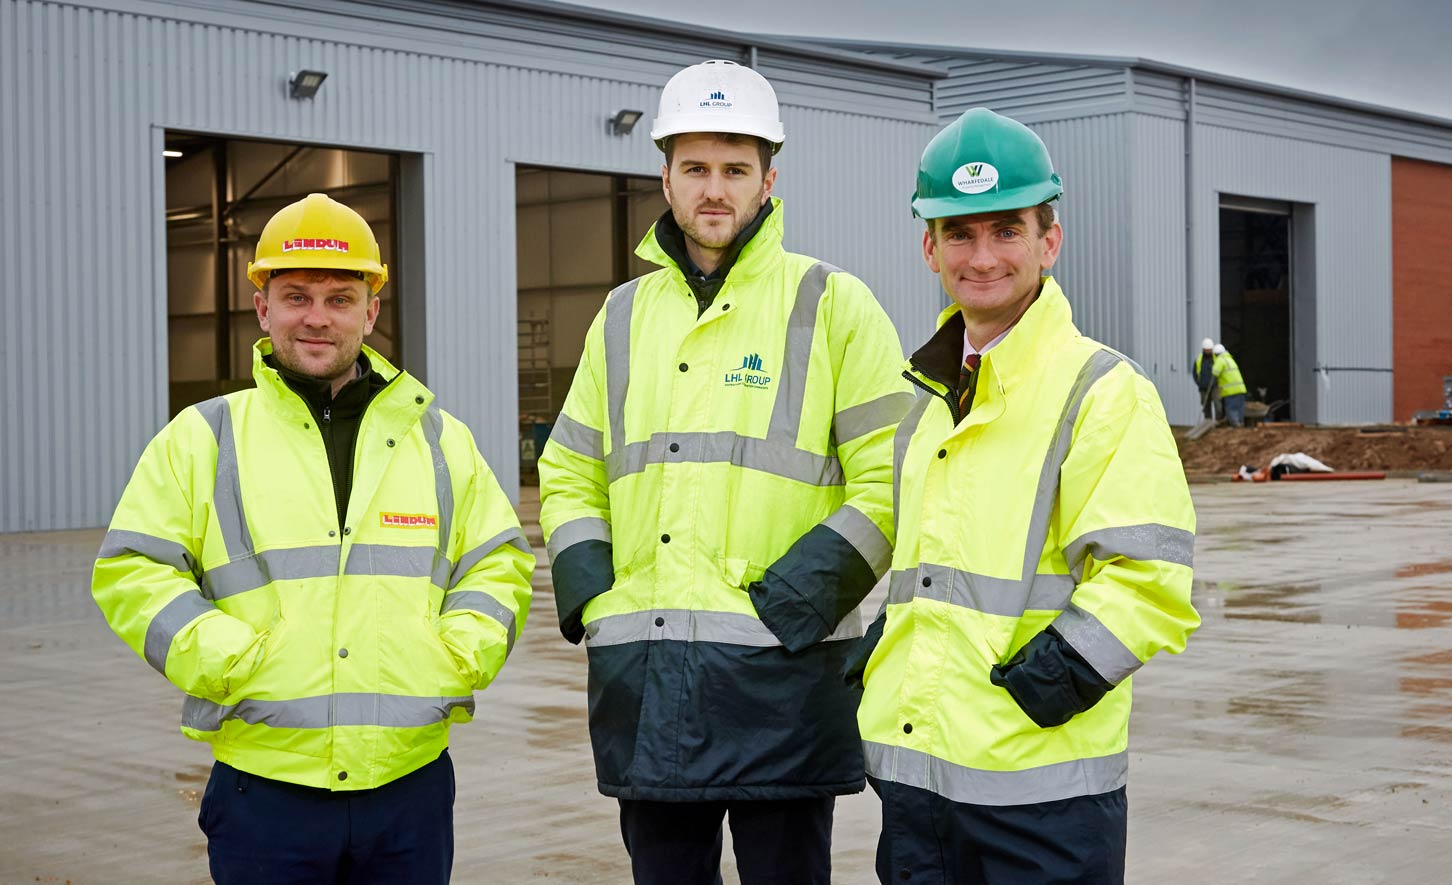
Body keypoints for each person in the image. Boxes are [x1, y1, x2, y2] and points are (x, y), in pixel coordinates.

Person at [538, 59, 910, 885]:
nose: (716, 189)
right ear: (664, 176)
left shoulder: (832, 304)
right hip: (647, 678)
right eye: (697, 168)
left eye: (736, 169)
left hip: (785, 682)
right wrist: (598, 593)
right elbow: (568, 466)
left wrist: (796, 601)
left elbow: (894, 477)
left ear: (769, 178)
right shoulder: (622, 316)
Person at [92, 193, 534, 884]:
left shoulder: (440, 439)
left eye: (340, 296)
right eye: (296, 296)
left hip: (407, 786)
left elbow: (499, 559)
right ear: (263, 308)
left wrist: (456, 653)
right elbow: (133, 568)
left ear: (371, 309)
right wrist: (227, 658)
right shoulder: (204, 437)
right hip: (264, 790)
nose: (318, 317)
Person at [850, 108, 1201, 884]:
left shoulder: (1103, 391)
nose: (982, 257)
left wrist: (1042, 691)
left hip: (1041, 797)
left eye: (1006, 231)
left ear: (1050, 240)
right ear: (928, 247)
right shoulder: (926, 402)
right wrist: (882, 657)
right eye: (959, 234)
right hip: (917, 784)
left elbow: (1149, 581)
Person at [1212, 342, 1248, 426]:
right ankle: (1241, 423)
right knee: (1240, 408)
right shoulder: (1230, 359)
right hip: (1241, 389)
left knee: (1231, 408)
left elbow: (1215, 372)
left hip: (1230, 390)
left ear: (1215, 354)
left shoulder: (1220, 360)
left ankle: (1235, 425)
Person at [1194, 337, 1218, 419]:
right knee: (1205, 405)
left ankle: (1219, 422)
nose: (1208, 351)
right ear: (1203, 349)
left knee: (1217, 403)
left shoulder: (1216, 358)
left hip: (1215, 386)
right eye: (1206, 350)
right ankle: (1208, 421)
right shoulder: (1199, 359)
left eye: (1209, 350)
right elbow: (1195, 373)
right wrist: (1199, 383)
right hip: (1203, 387)